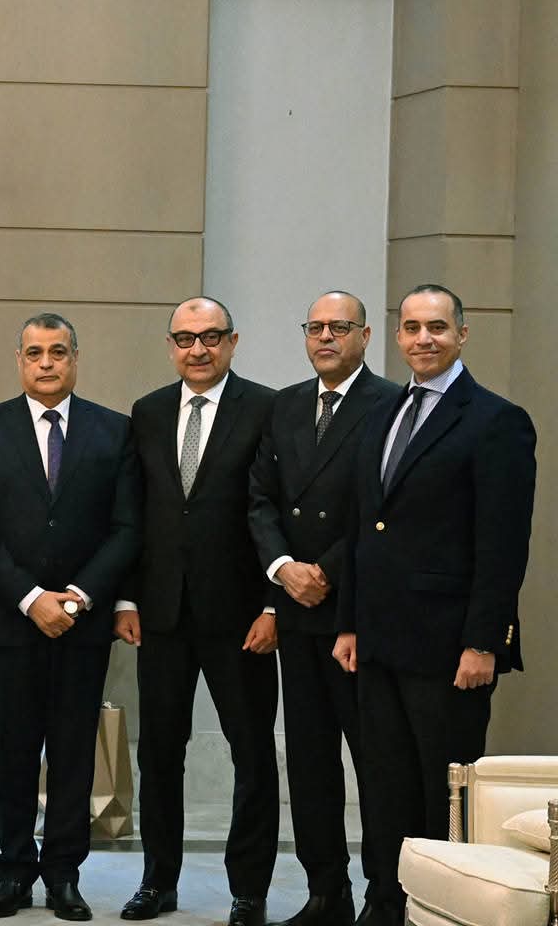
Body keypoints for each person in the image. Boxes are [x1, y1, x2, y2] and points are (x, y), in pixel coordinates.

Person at [336, 283, 537, 926]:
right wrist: (349, 623)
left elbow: (503, 545)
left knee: (439, 791)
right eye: (413, 327)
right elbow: (363, 528)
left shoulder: (496, 420)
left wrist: (484, 641)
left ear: (462, 334)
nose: (424, 338)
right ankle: (385, 902)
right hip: (379, 639)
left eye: (438, 327)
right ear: (398, 336)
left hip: (450, 647)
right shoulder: (383, 412)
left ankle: (436, 908)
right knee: (383, 783)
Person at [0, 313, 138, 923]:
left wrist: (79, 597)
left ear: (75, 358)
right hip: (8, 619)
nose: (46, 363)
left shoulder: (114, 430)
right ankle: (13, 872)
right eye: (34, 352)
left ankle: (64, 875)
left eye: (57, 352)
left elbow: (126, 527)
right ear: (19, 359)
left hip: (83, 622)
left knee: (72, 753)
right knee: (13, 752)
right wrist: (32, 598)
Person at [116, 297, 279, 926]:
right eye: (185, 339)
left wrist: (274, 606)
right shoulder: (149, 411)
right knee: (159, 754)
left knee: (252, 756)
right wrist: (127, 598)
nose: (198, 349)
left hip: (243, 617)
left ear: (233, 342)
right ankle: (158, 881)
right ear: (170, 346)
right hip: (161, 614)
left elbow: (276, 510)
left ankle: (249, 890)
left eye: (211, 337)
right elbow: (134, 512)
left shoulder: (265, 409)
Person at [246, 291, 398, 926]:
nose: (326, 338)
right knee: (309, 761)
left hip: (354, 611)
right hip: (296, 608)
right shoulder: (284, 405)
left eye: (340, 327)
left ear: (365, 336)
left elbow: (382, 506)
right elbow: (260, 498)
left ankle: (385, 894)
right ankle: (325, 890)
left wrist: (326, 572)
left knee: (375, 760)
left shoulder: (391, 403)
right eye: (316, 328)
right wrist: (283, 569)